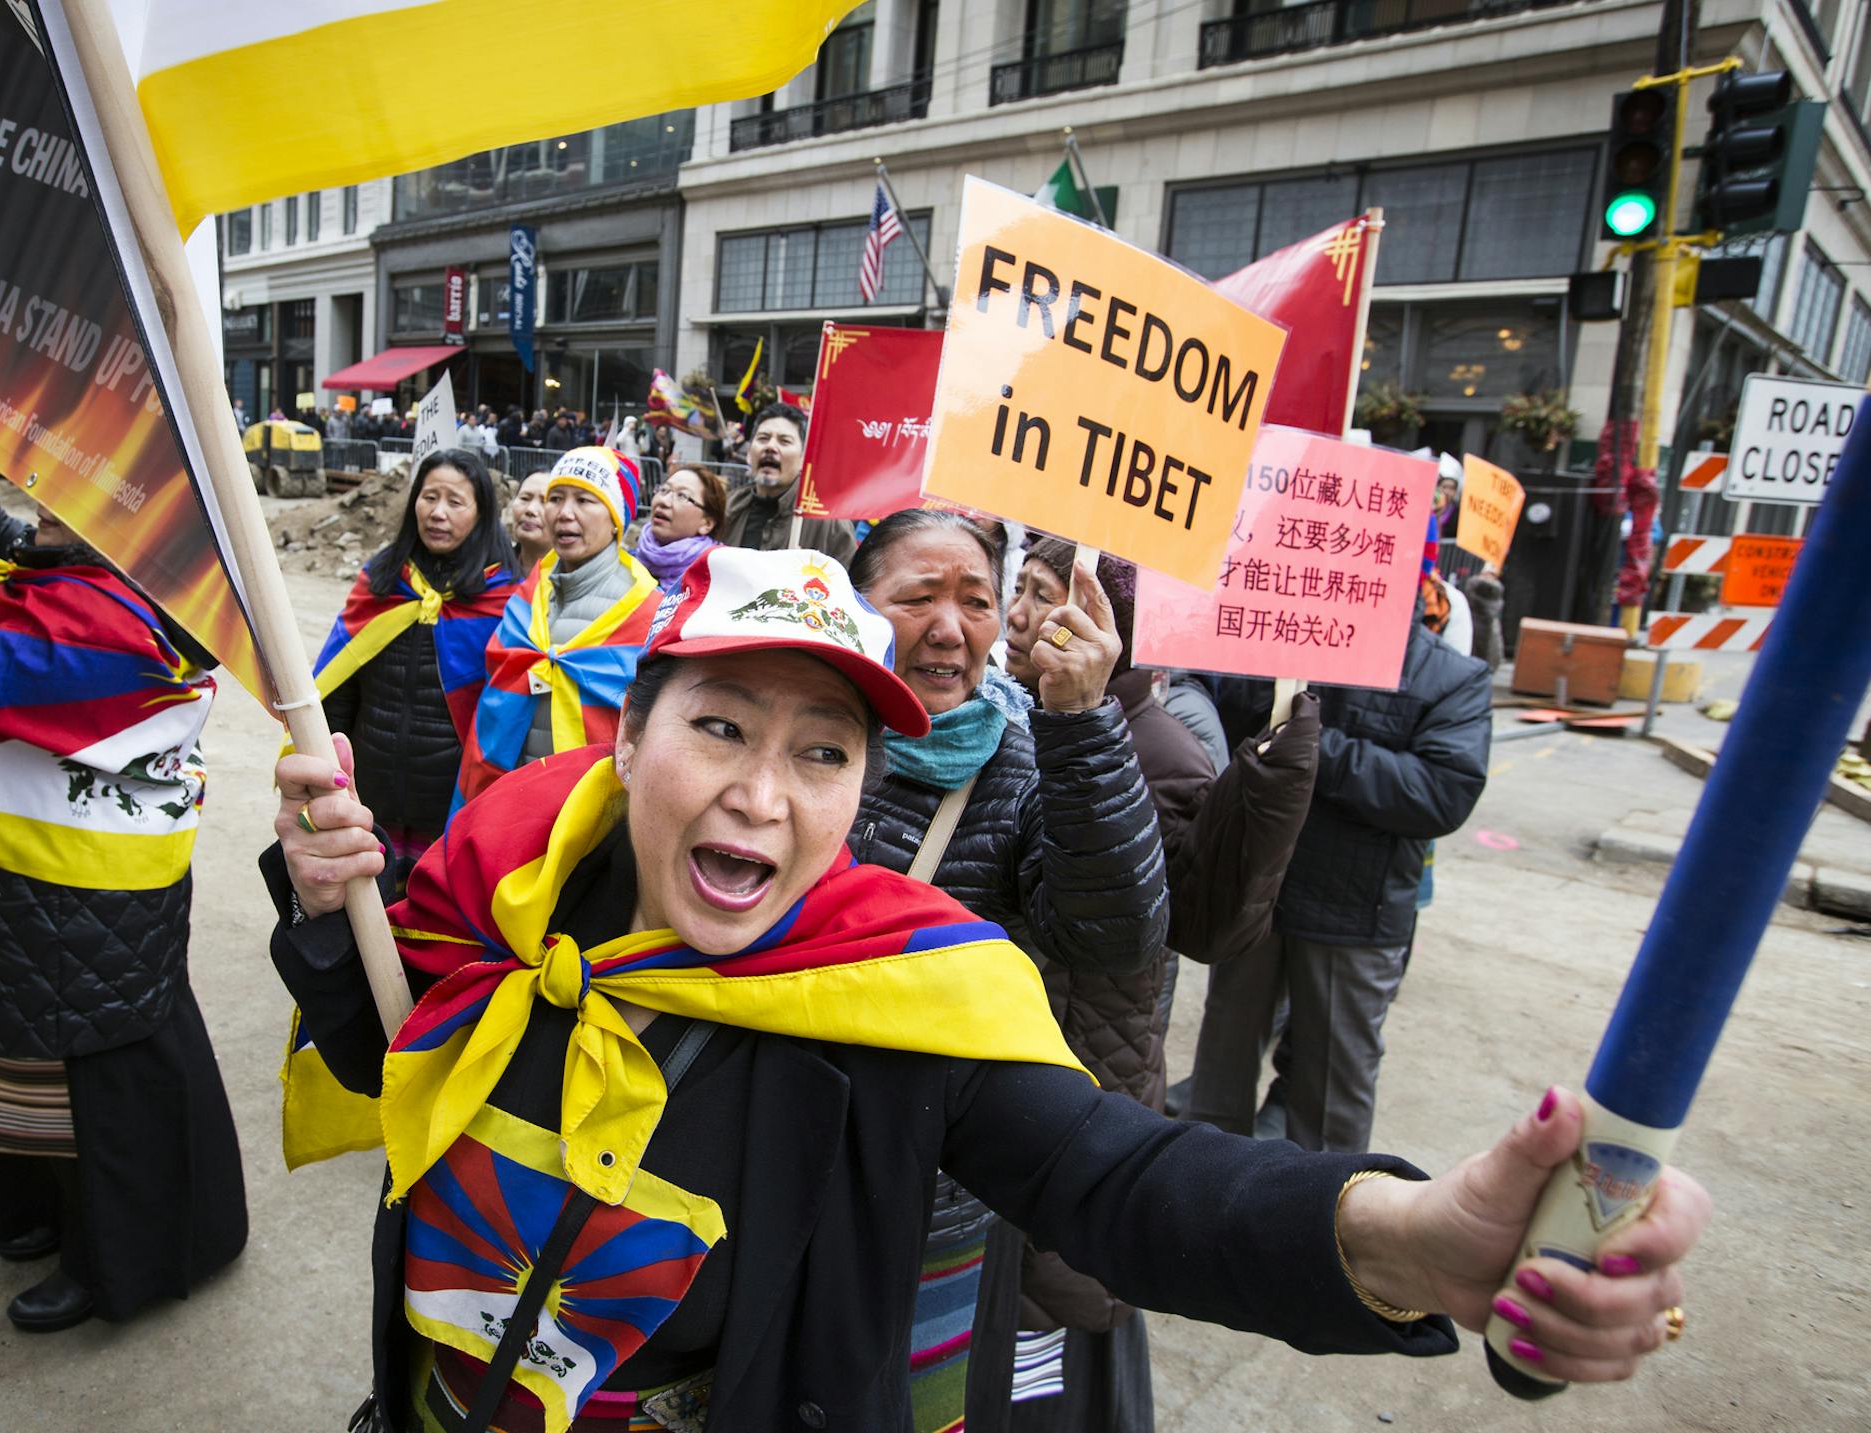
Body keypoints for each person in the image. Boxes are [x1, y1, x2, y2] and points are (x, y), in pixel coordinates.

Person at [267, 542, 1708, 1433]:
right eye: (718, 727)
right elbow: (397, 1051)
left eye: (822, 754)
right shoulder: (503, 885)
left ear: (855, 798)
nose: (762, 795)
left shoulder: (901, 995)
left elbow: (1123, 1179)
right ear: (627, 740)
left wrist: (1397, 1235)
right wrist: (335, 914)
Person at [0, 412, 246, 1332]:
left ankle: (106, 1262)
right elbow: (12, 543)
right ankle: (36, 1217)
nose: (40, 494)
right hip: (29, 883)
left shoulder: (127, 618)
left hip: (80, 896)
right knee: (22, 1062)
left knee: (90, 1094)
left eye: (72, 485)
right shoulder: (104, 571)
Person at [844, 510, 1166, 1431]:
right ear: (859, 605)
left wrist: (1085, 727)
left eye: (977, 601)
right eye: (918, 597)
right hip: (761, 1159)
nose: (951, 627)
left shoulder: (1029, 767)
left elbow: (1117, 935)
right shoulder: (789, 731)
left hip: (933, 1198)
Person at [996, 537, 1319, 1429]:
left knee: (1047, 1338)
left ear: (1115, 627)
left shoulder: (1160, 751)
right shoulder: (1000, 711)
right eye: (1015, 590)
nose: (1016, 615)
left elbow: (1202, 924)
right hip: (1004, 1063)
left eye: (1044, 596)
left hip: (1084, 1069)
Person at [1187, 596, 1493, 1154]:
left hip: (1355, 912)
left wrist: (1314, 743)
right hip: (1257, 890)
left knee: (1331, 1097)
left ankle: (1321, 1223)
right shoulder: (1279, 639)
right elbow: (1228, 718)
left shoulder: (1451, 676)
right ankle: (1199, 1201)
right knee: (1219, 1073)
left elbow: (1440, 794)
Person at [313, 448, 519, 871]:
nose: (438, 513)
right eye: (429, 497)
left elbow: (506, 715)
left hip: (450, 798)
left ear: (481, 513)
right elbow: (340, 681)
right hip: (370, 789)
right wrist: (325, 762)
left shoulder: (503, 597)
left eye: (455, 501)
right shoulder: (384, 578)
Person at [458, 446, 661, 803]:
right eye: (556, 498)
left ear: (616, 517)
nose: (565, 514)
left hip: (588, 810)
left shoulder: (645, 611)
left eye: (585, 501)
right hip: (508, 796)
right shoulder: (529, 593)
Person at [718, 402, 856, 565]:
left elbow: (850, 586)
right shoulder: (725, 509)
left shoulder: (829, 523)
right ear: (749, 454)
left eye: (784, 441)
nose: (770, 447)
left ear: (803, 458)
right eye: (763, 438)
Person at [631, 463, 724, 591]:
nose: (664, 501)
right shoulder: (626, 562)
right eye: (664, 490)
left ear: (706, 524)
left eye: (682, 496)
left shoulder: (716, 578)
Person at [504, 469, 553, 575]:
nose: (530, 509)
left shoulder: (574, 580)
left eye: (544, 501)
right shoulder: (490, 574)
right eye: (525, 498)